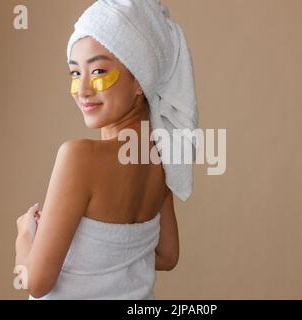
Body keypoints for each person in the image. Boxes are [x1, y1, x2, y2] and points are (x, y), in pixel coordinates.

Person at [15, 0, 198, 300]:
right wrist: (99, 257)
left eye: (98, 70)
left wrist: (24, 237)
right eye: (75, 73)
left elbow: (35, 282)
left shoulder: (78, 157)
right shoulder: (161, 157)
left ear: (140, 79)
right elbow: (167, 255)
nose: (83, 89)